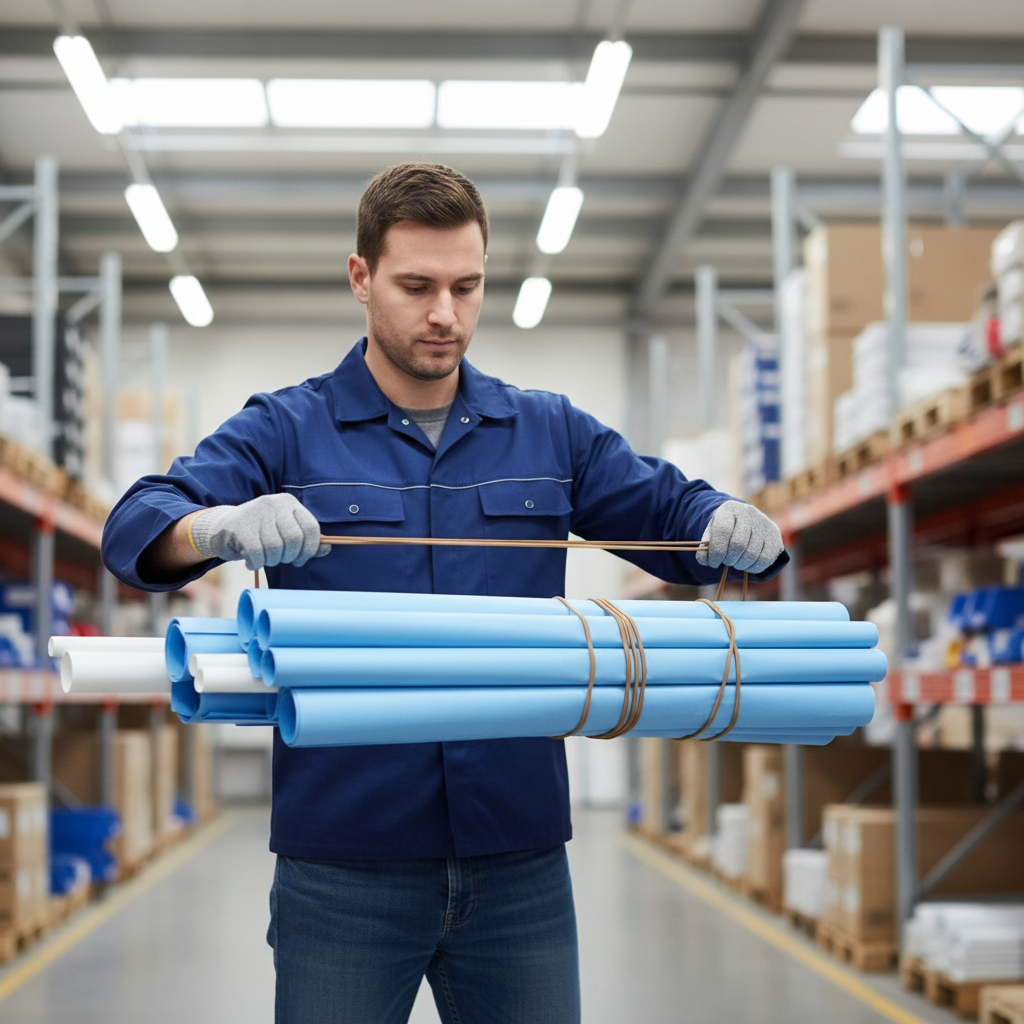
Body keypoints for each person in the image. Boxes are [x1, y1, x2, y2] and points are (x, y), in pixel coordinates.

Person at [102, 162, 787, 1024]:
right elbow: (136, 525)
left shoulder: (549, 431)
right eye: (417, 285)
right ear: (360, 278)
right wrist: (216, 528)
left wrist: (723, 516)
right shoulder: (286, 427)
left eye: (468, 287)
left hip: (519, 860)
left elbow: (672, 514)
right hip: (344, 864)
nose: (445, 315)